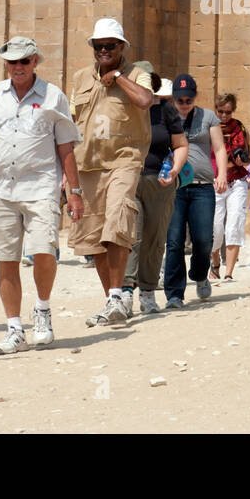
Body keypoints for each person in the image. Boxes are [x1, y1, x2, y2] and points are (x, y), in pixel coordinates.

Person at [0, 37, 84, 354]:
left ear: (35, 62)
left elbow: (65, 146)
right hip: (1, 188)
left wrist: (75, 191)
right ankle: (14, 328)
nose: (18, 67)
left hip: (41, 186)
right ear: (5, 64)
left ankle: (42, 310)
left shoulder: (53, 96)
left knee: (44, 249)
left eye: (24, 61)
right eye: (12, 62)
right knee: (6, 257)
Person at [68, 18, 155, 326]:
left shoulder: (137, 74)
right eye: (98, 46)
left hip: (124, 161)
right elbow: (70, 125)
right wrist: (66, 176)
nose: (103, 50)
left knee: (117, 224)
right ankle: (112, 301)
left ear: (122, 47)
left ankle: (118, 295)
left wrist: (118, 76)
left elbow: (146, 100)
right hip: (86, 166)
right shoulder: (80, 78)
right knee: (94, 241)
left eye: (110, 46)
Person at [124, 71, 186, 315]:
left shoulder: (166, 111)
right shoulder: (123, 109)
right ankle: (125, 292)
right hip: (128, 180)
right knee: (131, 237)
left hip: (159, 182)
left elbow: (180, 145)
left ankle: (148, 292)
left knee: (154, 239)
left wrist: (175, 170)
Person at [163, 74, 228, 307]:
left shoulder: (207, 117)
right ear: (173, 99)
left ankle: (200, 275)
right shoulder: (166, 116)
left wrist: (222, 174)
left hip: (202, 186)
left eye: (188, 100)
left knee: (203, 239)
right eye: (180, 100)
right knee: (174, 241)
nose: (184, 104)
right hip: (175, 187)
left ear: (195, 97)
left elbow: (219, 148)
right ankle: (174, 294)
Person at [210, 92, 250, 282]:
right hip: (215, 181)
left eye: (227, 112)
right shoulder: (209, 126)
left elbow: (242, 152)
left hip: (236, 181)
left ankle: (229, 273)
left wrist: (241, 159)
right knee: (215, 228)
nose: (224, 115)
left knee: (234, 224)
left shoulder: (239, 127)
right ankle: (216, 263)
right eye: (220, 111)